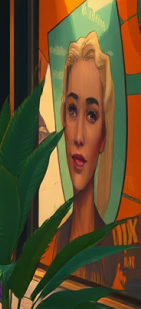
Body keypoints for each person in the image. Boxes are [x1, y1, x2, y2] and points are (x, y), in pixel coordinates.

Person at [54, 31, 120, 287]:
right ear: (63, 121)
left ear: (104, 136)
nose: (79, 136)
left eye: (92, 115)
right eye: (72, 110)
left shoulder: (110, 249)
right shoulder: (55, 241)